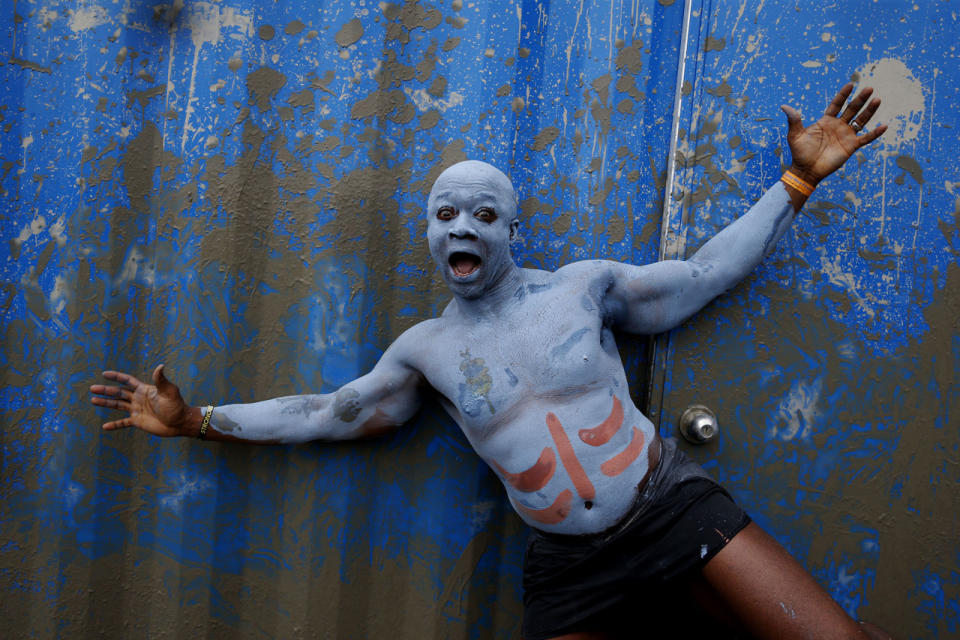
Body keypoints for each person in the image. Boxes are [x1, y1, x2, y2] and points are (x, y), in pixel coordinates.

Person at [91, 83, 892, 639]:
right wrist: (197, 420)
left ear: (510, 229)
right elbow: (326, 413)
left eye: (482, 213)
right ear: (431, 234)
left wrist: (795, 180)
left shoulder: (583, 288)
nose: (461, 227)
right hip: (570, 567)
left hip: (669, 509)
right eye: (445, 215)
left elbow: (708, 274)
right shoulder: (425, 351)